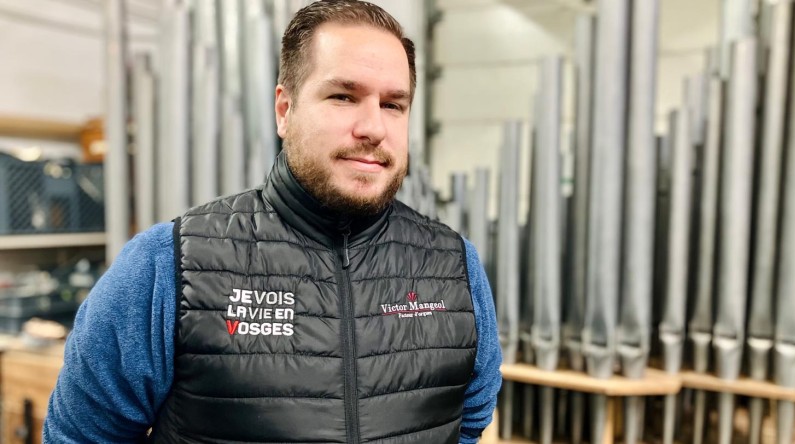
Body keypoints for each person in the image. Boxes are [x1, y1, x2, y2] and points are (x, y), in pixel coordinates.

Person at [43, 1, 501, 442]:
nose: (373, 127)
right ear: (285, 110)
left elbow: (466, 424)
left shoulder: (456, 265)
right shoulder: (167, 264)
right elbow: (81, 436)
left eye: (393, 104)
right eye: (343, 96)